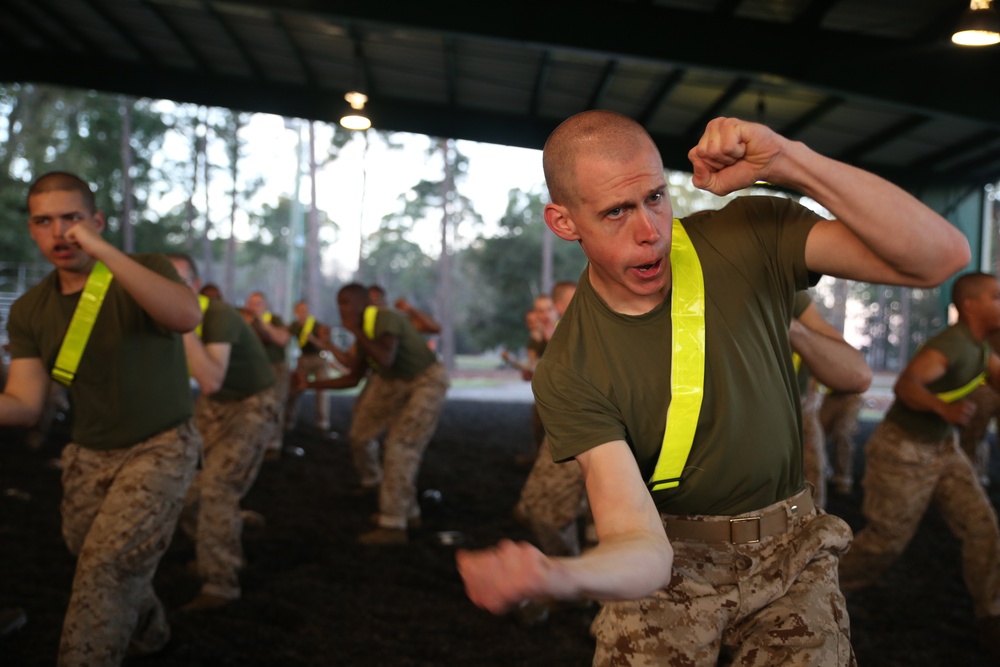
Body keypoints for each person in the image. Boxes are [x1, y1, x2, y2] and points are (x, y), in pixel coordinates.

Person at [455, 111, 970, 665]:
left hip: (793, 554)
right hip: (670, 560)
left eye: (655, 197)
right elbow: (641, 544)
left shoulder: (744, 237)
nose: (649, 230)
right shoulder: (570, 368)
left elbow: (940, 258)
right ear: (563, 222)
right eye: (616, 212)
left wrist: (790, 160)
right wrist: (557, 573)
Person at [1, 171, 203, 665]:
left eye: (73, 218)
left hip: (160, 446)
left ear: (97, 221)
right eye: (44, 221)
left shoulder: (146, 269)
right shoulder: (30, 311)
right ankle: (153, 633)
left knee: (105, 569)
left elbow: (186, 316)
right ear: (31, 229)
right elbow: (25, 404)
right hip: (90, 454)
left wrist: (104, 252)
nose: (60, 232)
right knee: (90, 550)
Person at [838, 272, 1000, 657]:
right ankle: (823, 587)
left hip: (943, 450)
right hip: (904, 451)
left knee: (982, 527)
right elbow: (907, 385)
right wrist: (945, 407)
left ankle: (991, 617)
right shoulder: (953, 344)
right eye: (997, 296)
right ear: (972, 304)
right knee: (885, 544)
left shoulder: (979, 346)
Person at [298, 283, 450, 545]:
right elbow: (353, 377)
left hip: (426, 380)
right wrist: (308, 385)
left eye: (346, 302)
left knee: (401, 446)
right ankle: (404, 507)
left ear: (364, 302)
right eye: (339, 303)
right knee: (360, 434)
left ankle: (393, 524)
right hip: (392, 381)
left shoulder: (385, 317)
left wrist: (354, 330)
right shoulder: (365, 331)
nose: (341, 308)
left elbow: (386, 358)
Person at [167, 254, 277, 612]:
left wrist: (181, 325)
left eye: (179, 281)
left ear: (196, 286)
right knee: (180, 486)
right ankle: (212, 545)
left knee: (218, 488)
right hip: (214, 406)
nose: (170, 290)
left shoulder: (218, 315)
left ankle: (221, 582)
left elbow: (211, 378)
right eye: (162, 281)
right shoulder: (156, 316)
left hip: (251, 405)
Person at [790, 291, 872, 510]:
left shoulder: (806, 326)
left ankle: (819, 511)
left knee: (820, 453)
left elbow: (857, 375)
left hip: (809, 403)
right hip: (783, 404)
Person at [244, 290, 293, 459]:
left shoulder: (274, 320)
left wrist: (262, 322)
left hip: (275, 367)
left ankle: (273, 444)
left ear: (265, 306)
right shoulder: (243, 320)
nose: (253, 307)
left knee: (275, 404)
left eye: (257, 303)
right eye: (251, 303)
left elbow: (282, 339)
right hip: (253, 367)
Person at [286, 300, 332, 431]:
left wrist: (313, 339)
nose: (303, 313)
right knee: (295, 388)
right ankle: (289, 420)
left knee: (322, 389)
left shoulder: (316, 325)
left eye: (305, 310)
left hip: (318, 359)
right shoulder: (294, 326)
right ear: (296, 312)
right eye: (300, 310)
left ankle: (322, 423)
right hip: (303, 359)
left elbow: (324, 345)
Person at [821, 389, 866, 495]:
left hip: (851, 396)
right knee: (818, 434)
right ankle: (824, 470)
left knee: (842, 435)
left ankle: (843, 478)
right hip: (831, 395)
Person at [956, 381, 1000, 487]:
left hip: (983, 386)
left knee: (971, 442)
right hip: (983, 385)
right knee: (971, 441)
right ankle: (970, 481)